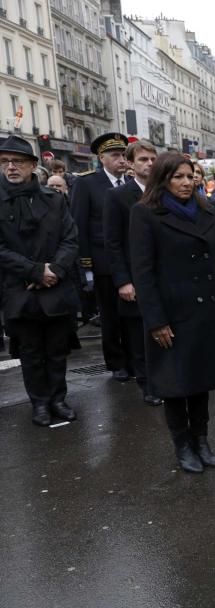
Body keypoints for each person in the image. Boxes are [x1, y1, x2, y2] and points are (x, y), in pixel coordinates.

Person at [129, 153, 215, 473]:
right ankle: (183, 445)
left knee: (201, 380)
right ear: (163, 179)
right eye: (178, 177)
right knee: (175, 384)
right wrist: (156, 320)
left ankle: (201, 440)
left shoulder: (208, 211)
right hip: (172, 314)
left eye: (190, 176)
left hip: (206, 310)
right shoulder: (145, 213)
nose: (186, 183)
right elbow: (143, 273)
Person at [0, 136, 79, 426]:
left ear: (33, 165)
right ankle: (40, 403)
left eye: (17, 161)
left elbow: (70, 239)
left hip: (55, 287)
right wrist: (34, 271)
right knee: (31, 352)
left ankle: (59, 398)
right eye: (4, 162)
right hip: (19, 290)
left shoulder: (54, 200)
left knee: (57, 350)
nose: (10, 167)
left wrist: (54, 270)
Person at [103, 139, 162, 406]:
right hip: (134, 279)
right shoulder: (117, 196)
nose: (149, 164)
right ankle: (147, 385)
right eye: (142, 159)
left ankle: (164, 380)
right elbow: (112, 242)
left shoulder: (165, 192)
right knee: (139, 336)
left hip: (163, 276)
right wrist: (123, 281)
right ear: (130, 163)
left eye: (152, 159)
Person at [71, 132, 132, 381]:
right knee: (110, 315)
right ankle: (116, 362)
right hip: (103, 261)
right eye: (115, 155)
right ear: (101, 158)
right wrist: (85, 266)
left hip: (129, 260)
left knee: (131, 315)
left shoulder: (130, 184)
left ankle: (134, 357)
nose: (121, 160)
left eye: (123, 155)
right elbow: (79, 226)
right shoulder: (87, 184)